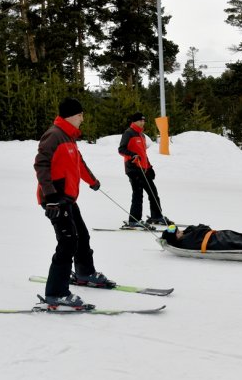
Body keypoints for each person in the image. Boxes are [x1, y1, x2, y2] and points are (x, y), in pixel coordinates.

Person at [34, 97, 114, 307]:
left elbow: (79, 165)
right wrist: (51, 198)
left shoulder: (69, 138)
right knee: (68, 242)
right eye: (80, 114)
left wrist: (92, 181)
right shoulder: (54, 135)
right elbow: (41, 165)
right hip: (55, 200)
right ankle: (56, 293)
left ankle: (84, 273)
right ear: (71, 115)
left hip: (67, 198)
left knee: (82, 236)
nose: (83, 118)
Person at [118, 112, 172, 227]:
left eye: (144, 120)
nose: (143, 122)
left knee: (153, 191)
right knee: (138, 193)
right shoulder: (129, 133)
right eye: (140, 120)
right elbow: (121, 149)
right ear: (134, 121)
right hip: (133, 168)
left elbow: (143, 154)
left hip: (143, 169)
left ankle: (156, 216)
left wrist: (150, 167)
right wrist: (132, 155)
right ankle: (134, 220)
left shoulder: (142, 136)